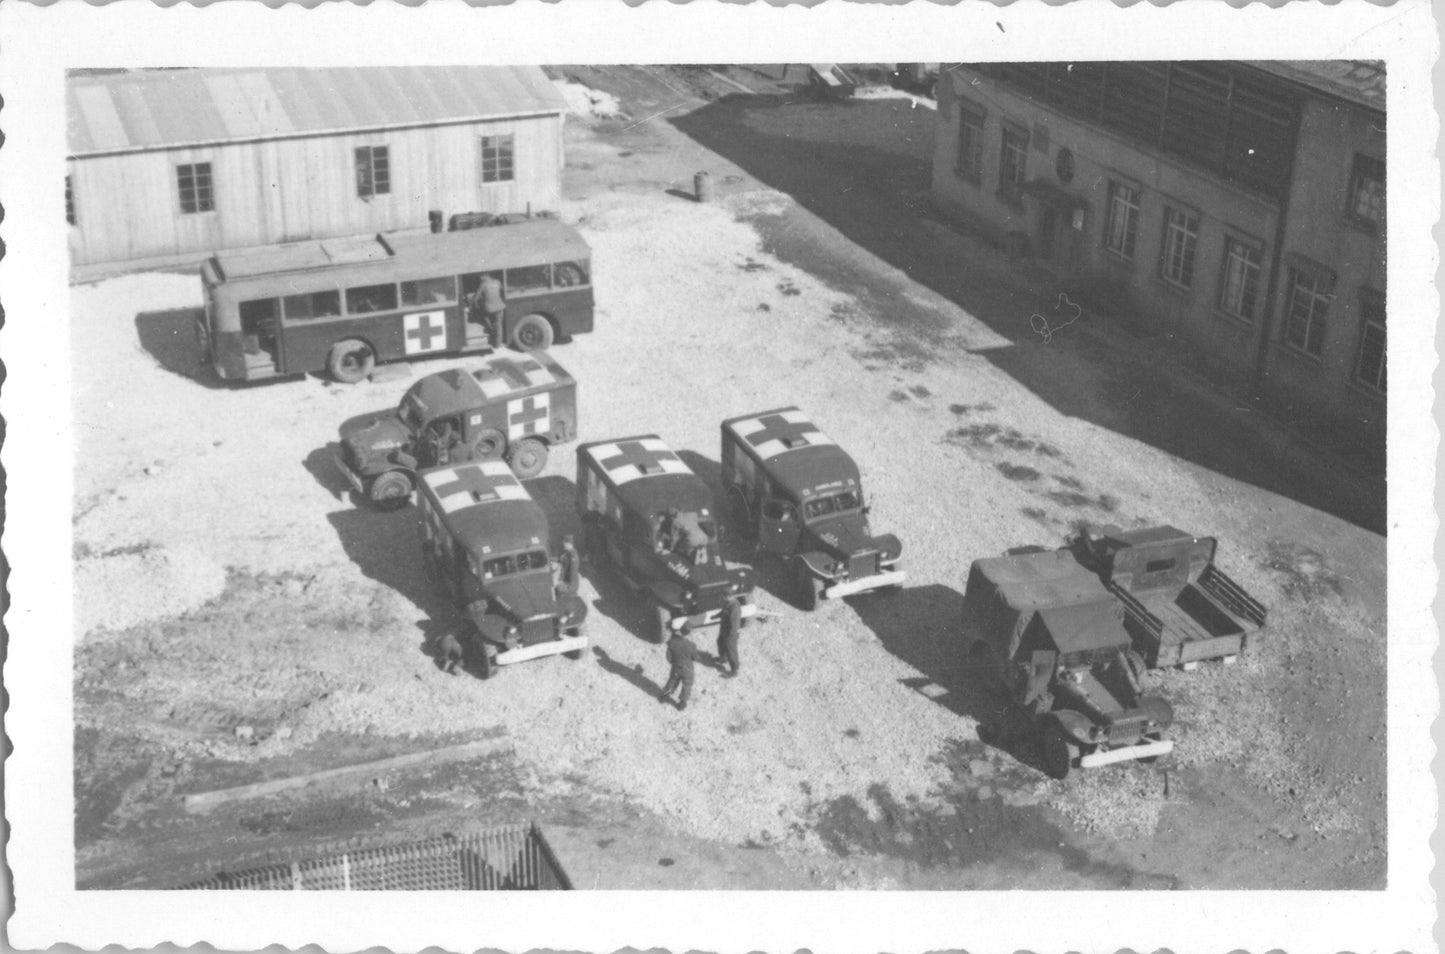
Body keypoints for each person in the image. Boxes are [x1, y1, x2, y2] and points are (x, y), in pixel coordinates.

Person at [658, 624, 698, 711]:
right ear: (689, 633)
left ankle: (664, 696)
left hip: (676, 667)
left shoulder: (672, 643)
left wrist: (674, 663)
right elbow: (695, 658)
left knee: (672, 681)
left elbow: (668, 657)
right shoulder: (692, 645)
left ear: (680, 630)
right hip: (688, 669)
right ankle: (682, 704)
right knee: (687, 685)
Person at [474, 273, 505, 345]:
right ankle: (498, 343)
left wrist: (476, 304)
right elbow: (501, 291)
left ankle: (490, 329)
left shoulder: (483, 285)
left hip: (489, 308)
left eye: (481, 277)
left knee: (483, 316)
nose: (480, 278)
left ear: (485, 276)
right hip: (500, 306)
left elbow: (476, 298)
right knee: (499, 325)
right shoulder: (497, 282)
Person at [715, 595, 742, 678]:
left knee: (731, 651)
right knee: (720, 642)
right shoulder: (728, 603)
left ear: (731, 597)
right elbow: (724, 612)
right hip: (724, 630)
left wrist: (729, 637)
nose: (724, 598)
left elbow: (734, 625)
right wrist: (716, 616)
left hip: (731, 634)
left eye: (726, 596)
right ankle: (723, 658)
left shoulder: (735, 608)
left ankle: (734, 670)